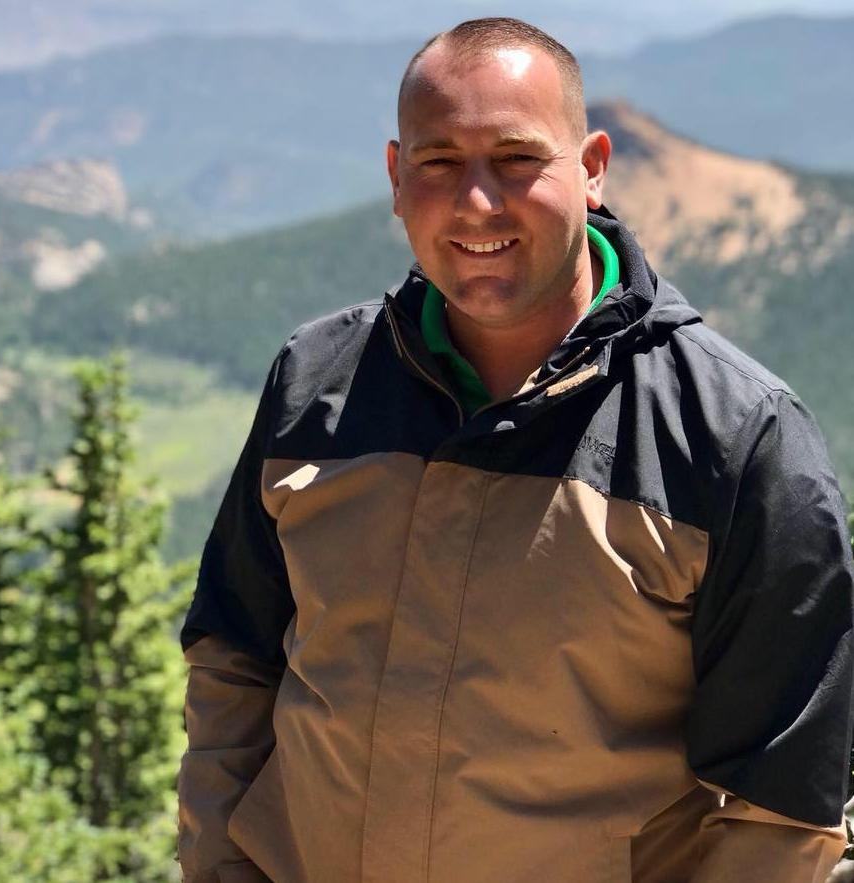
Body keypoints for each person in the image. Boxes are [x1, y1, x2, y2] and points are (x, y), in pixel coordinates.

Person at [176, 17, 854, 883]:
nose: (476, 202)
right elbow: (233, 656)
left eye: (516, 157)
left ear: (593, 168)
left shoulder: (736, 436)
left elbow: (779, 807)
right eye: (438, 162)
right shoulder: (316, 380)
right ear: (395, 177)